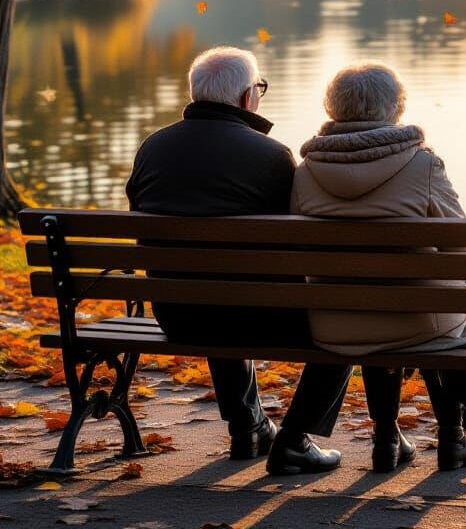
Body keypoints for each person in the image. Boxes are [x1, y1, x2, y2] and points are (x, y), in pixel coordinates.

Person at [285, 62, 466, 475]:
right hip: (417, 321)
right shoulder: (422, 165)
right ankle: (462, 431)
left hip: (334, 325)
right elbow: (461, 243)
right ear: (395, 108)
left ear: (333, 108)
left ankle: (388, 441)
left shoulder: (306, 171)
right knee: (447, 300)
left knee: (414, 300)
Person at [126, 46, 347, 474]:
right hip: (261, 315)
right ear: (248, 97)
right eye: (259, 89)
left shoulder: (152, 148)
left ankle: (248, 426)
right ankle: (296, 439)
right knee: (347, 324)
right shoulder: (270, 156)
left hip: (178, 312)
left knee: (212, 287)